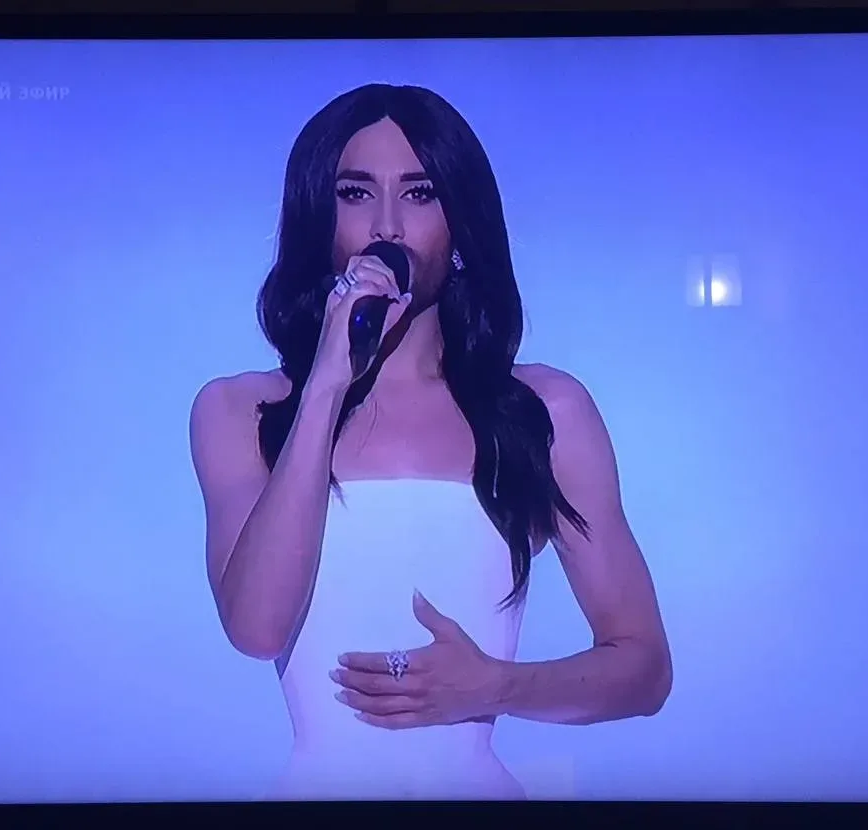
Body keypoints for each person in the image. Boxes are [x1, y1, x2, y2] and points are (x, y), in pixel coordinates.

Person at [189, 83, 671, 800]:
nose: (387, 224)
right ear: (318, 214)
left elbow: (644, 668)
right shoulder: (239, 410)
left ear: (460, 219)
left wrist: (494, 686)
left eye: (419, 194)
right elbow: (257, 628)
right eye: (356, 193)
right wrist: (325, 384)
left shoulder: (544, 410)